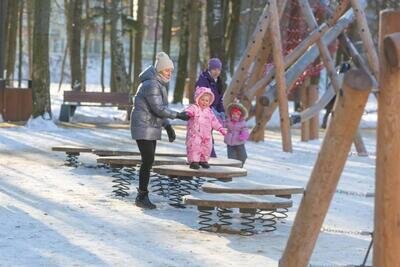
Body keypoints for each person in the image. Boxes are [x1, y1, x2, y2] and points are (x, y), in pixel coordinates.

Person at [130, 52, 189, 209]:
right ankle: (141, 196)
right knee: (147, 160)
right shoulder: (151, 85)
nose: (169, 73)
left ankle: (142, 195)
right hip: (143, 126)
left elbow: (158, 110)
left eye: (171, 71)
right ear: (159, 70)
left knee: (148, 161)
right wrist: (178, 115)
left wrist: (168, 126)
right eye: (166, 70)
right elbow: (159, 108)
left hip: (149, 126)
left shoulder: (157, 84)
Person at [185, 87, 227, 169]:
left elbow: (214, 121)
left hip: (207, 135)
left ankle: (203, 160)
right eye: (202, 99)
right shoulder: (194, 108)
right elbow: (188, 111)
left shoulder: (209, 111)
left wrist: (221, 129)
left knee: (207, 147)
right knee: (194, 146)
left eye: (207, 100)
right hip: (195, 134)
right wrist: (188, 113)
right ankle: (194, 161)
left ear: (209, 102)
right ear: (198, 99)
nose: (204, 102)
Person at [195, 58, 225, 157]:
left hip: (213, 111)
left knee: (207, 135)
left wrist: (222, 111)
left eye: (219, 70)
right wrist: (207, 109)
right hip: (204, 112)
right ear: (210, 69)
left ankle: (206, 155)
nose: (217, 72)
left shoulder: (218, 82)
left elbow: (220, 99)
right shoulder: (203, 80)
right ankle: (209, 156)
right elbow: (201, 96)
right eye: (214, 69)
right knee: (205, 135)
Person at [224, 101, 249, 167]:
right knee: (232, 157)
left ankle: (240, 165)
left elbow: (245, 130)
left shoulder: (242, 122)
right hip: (230, 143)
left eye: (237, 114)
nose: (235, 116)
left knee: (243, 156)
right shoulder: (228, 121)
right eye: (233, 114)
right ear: (230, 114)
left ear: (240, 115)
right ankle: (233, 167)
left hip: (239, 142)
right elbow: (222, 124)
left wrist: (243, 136)